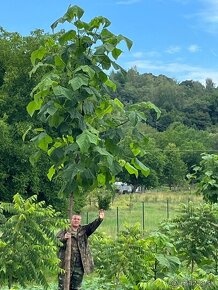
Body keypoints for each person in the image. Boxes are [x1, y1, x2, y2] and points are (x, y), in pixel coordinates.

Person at [57, 209, 104, 290]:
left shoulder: (84, 230)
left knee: (76, 287)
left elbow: (92, 226)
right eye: (74, 219)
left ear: (80, 221)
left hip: (79, 264)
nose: (76, 221)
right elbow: (57, 241)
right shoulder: (65, 230)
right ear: (71, 220)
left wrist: (99, 219)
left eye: (78, 219)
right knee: (63, 286)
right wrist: (64, 238)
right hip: (65, 264)